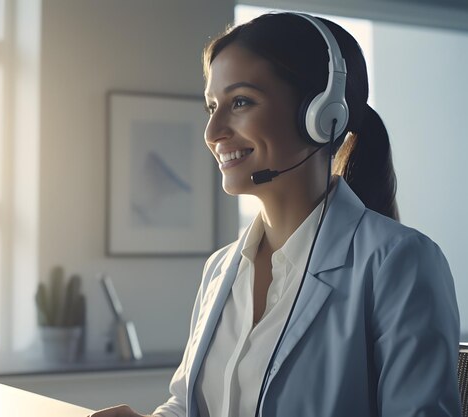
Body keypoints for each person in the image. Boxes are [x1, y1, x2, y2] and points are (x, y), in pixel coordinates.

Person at [89, 12, 460, 417]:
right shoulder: (220, 270)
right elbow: (188, 405)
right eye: (212, 106)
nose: (213, 131)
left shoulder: (400, 263)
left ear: (322, 115)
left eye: (241, 102)